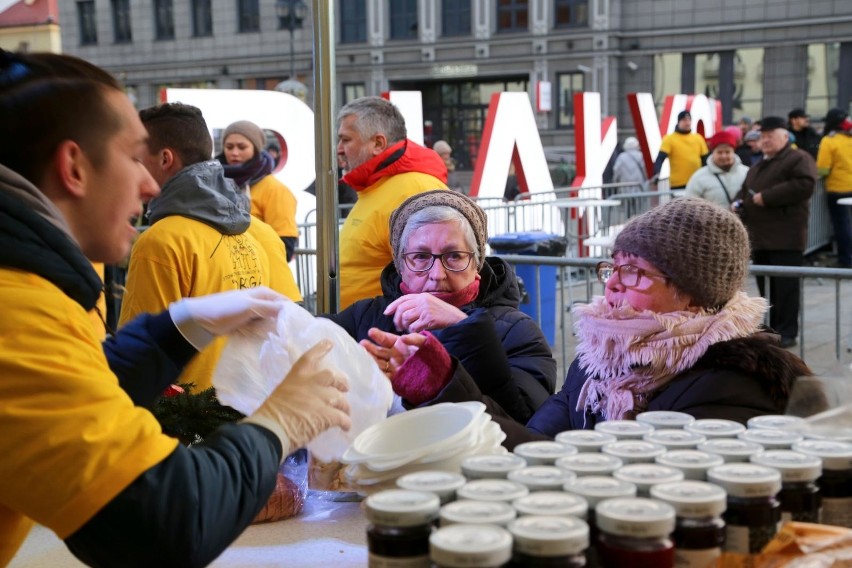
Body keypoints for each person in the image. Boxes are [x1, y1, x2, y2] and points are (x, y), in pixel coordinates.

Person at [0, 50, 351, 566]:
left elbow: (80, 389)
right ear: (74, 167)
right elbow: (161, 520)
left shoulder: (27, 287)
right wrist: (279, 424)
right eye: (131, 156)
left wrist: (178, 328)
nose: (148, 183)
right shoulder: (16, 310)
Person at [369, 198, 809, 448]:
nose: (612, 285)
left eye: (634, 271)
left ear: (693, 293)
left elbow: (618, 498)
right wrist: (443, 381)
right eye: (611, 266)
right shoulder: (599, 360)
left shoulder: (728, 381)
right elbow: (534, 453)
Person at [328, 190, 556, 423]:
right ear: (400, 265)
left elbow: (525, 424)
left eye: (454, 256)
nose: (437, 274)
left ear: (476, 263)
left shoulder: (517, 331)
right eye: (420, 256)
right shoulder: (364, 317)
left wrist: (465, 329)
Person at [119, 102, 303, 391]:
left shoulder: (159, 242)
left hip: (185, 419)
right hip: (250, 404)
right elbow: (290, 323)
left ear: (166, 159)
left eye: (137, 160)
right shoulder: (258, 232)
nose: (132, 171)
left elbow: (138, 358)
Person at [337, 96, 448, 309]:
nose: (339, 149)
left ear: (378, 143)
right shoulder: (377, 187)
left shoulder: (414, 191)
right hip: (365, 332)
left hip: (386, 336)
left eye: (346, 139)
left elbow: (436, 283)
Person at [734, 116, 818, 349]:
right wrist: (738, 203)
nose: (766, 140)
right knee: (767, 288)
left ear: (784, 136)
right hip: (760, 238)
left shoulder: (798, 158)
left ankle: (787, 331)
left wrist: (767, 197)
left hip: (785, 237)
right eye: (762, 136)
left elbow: (805, 184)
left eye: (770, 136)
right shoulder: (760, 164)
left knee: (786, 289)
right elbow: (744, 191)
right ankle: (772, 328)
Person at [217, 120, 300, 262]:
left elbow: (284, 246)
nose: (234, 153)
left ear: (256, 149)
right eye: (229, 147)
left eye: (242, 147)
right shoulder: (214, 183)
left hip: (261, 276)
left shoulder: (275, 190)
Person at [816, 108, 852, 268]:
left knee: (842, 225)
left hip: (838, 188)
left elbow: (823, 169)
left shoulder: (829, 140)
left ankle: (846, 260)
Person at [685, 130, 749, 208]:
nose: (724, 156)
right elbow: (690, 205)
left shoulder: (747, 173)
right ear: (713, 152)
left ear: (733, 152)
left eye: (727, 152)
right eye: (719, 152)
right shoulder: (699, 177)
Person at [652, 110, 709, 189]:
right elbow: (660, 158)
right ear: (679, 122)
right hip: (678, 183)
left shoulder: (698, 138)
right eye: (684, 120)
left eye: (689, 120)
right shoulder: (670, 139)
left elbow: (705, 159)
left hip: (697, 181)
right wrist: (656, 173)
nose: (687, 123)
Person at [611, 136, 647, 217]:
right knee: (639, 210)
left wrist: (615, 182)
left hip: (625, 187)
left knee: (627, 209)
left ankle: (629, 223)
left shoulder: (621, 157)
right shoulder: (641, 156)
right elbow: (645, 170)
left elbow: (616, 171)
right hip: (639, 187)